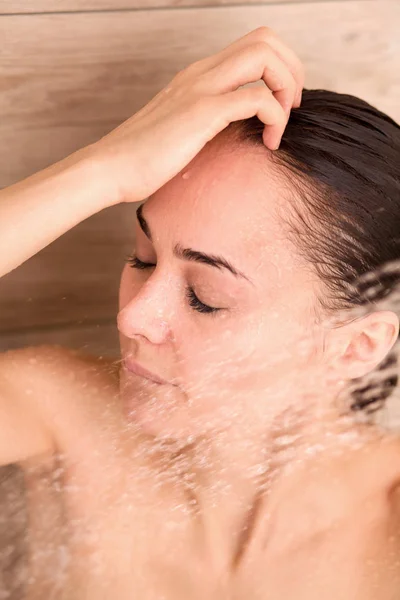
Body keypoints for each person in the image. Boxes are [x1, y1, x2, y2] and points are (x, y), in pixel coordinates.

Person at [0, 25, 400, 599]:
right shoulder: (62, 416)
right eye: (141, 259)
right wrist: (101, 171)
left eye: (204, 297)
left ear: (353, 346)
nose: (134, 317)